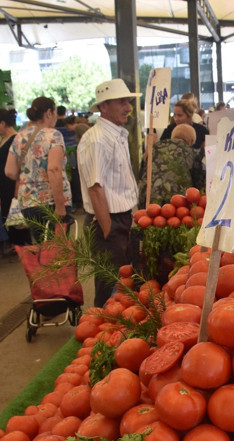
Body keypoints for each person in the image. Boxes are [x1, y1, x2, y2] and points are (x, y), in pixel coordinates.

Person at [77, 79, 140, 308]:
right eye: (122, 102)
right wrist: (108, 230)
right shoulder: (97, 139)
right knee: (110, 281)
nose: (128, 107)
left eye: (129, 101)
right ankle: (99, 329)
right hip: (106, 219)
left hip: (120, 217)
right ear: (104, 106)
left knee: (120, 279)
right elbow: (95, 188)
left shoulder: (116, 135)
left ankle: (110, 326)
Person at [5, 97, 73, 242]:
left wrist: (28, 175)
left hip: (28, 203)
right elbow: (54, 169)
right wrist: (60, 205)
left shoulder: (19, 137)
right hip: (50, 201)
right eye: (54, 112)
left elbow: (9, 171)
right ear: (49, 113)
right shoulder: (53, 135)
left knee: (43, 247)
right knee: (59, 251)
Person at [0, 108, 29, 246]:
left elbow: (20, 166)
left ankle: (23, 247)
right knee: (9, 219)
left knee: (17, 220)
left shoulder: (15, 140)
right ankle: (17, 246)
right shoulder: (5, 139)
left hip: (11, 188)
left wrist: (17, 189)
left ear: (2, 123)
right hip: (4, 190)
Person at [139, 123, 199, 207]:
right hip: (176, 205)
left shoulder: (153, 148)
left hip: (147, 201)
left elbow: (142, 172)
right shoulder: (191, 153)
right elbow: (198, 182)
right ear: (191, 141)